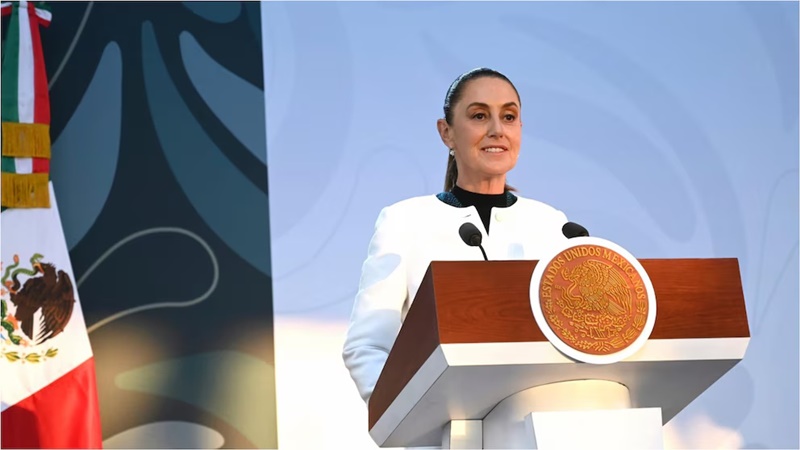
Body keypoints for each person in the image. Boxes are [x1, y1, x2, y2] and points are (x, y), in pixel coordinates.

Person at [342, 68, 570, 405]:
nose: (497, 130)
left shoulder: (553, 226)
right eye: (479, 116)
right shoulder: (405, 221)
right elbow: (367, 346)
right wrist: (411, 415)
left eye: (508, 117)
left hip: (538, 419)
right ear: (446, 132)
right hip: (445, 427)